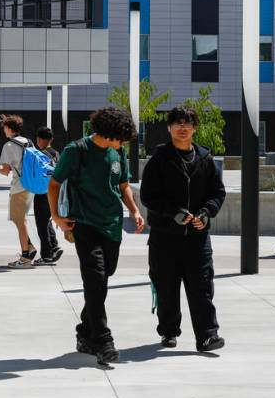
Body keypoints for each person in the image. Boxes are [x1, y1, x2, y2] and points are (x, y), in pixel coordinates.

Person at [47, 106, 144, 365]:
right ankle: (104, 341)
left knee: (103, 278)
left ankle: (85, 332)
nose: (123, 143)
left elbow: (123, 185)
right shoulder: (76, 151)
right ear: (108, 132)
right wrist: (56, 217)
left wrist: (134, 210)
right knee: (95, 281)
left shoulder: (117, 151)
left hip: (111, 225)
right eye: (120, 137)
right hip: (84, 224)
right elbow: (54, 184)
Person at [140, 105, 226, 352]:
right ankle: (168, 332)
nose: (182, 127)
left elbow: (217, 193)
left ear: (194, 128)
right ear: (169, 128)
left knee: (202, 287)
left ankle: (208, 336)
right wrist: (173, 212)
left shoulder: (205, 159)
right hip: (165, 237)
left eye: (187, 123)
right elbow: (148, 196)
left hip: (198, 238)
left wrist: (206, 213)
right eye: (177, 123)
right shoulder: (159, 159)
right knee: (166, 287)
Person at [0, 114, 37, 269]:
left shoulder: (8, 146)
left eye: (4, 128)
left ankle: (25, 257)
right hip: (30, 186)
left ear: (8, 128)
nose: (4, 131)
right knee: (18, 219)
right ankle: (30, 247)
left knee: (20, 222)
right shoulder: (28, 142)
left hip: (18, 187)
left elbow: (5, 169)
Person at [32, 126, 63, 266]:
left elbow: (38, 174)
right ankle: (54, 247)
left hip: (42, 192)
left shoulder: (40, 154)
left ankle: (46, 255)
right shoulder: (56, 153)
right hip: (55, 192)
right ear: (52, 139)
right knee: (47, 221)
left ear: (39, 139)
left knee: (41, 224)